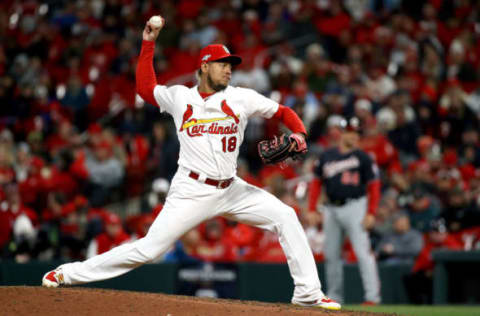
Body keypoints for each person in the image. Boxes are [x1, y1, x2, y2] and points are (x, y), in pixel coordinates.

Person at [41, 16, 340, 311]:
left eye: (230, 65)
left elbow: (283, 111)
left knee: (286, 216)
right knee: (148, 249)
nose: (228, 69)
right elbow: (146, 89)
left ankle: (308, 293)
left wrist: (299, 133)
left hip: (232, 188)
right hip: (191, 189)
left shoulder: (242, 98)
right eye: (222, 64)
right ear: (204, 67)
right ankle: (68, 273)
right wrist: (148, 43)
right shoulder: (180, 97)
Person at [308, 116, 381, 305]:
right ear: (342, 133)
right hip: (331, 208)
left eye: (357, 132)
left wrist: (371, 212)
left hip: (355, 206)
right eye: (351, 131)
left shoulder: (363, 157)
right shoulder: (327, 155)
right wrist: (311, 208)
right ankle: (335, 297)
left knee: (362, 252)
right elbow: (316, 183)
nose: (355, 135)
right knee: (331, 254)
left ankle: (372, 297)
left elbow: (374, 186)